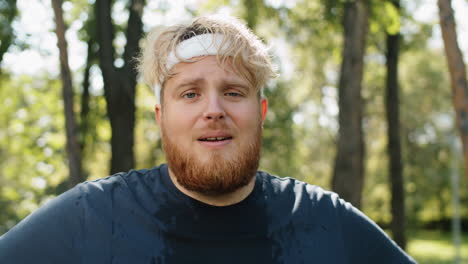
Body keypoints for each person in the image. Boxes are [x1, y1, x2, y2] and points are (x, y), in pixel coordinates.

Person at [0, 15, 416, 263]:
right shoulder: (89, 217)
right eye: (190, 93)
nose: (213, 109)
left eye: (233, 92)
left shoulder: (326, 222)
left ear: (261, 113)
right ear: (162, 119)